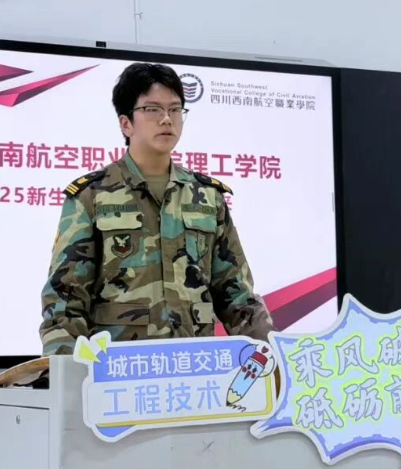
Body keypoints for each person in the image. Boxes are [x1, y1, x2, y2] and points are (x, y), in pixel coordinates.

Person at [39, 62, 276, 355]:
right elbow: (64, 300)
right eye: (152, 109)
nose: (166, 119)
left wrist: (275, 355)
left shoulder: (207, 196)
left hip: (194, 364)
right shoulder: (92, 196)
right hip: (119, 367)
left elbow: (236, 296)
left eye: (175, 109)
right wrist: (66, 371)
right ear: (126, 123)